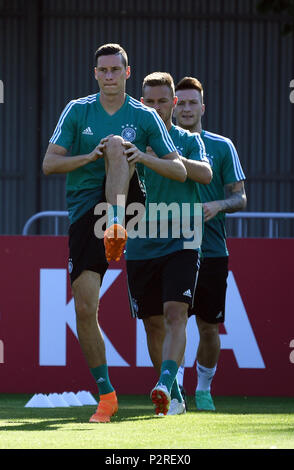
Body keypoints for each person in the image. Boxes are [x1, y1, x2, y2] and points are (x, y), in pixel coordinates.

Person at [42, 44, 186, 423]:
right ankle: (106, 395)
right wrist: (89, 156)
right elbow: (49, 163)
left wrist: (143, 156)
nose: (108, 76)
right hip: (86, 211)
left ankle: (118, 223)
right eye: (102, 70)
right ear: (95, 74)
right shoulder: (77, 110)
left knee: (119, 146)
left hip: (129, 201)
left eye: (114, 70)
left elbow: (179, 170)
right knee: (85, 307)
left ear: (127, 72)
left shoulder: (143, 115)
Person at [124, 72, 212, 415]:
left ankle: (163, 381)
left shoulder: (186, 140)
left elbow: (205, 174)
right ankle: (173, 391)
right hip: (142, 243)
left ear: (174, 104)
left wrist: (154, 159)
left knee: (177, 314)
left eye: (164, 101)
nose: (157, 107)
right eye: (150, 101)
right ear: (141, 103)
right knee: (152, 323)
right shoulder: (130, 140)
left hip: (183, 240)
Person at [174, 76, 247, 411]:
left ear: (202, 107)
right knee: (168, 323)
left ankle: (203, 389)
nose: (186, 108)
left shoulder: (222, 146)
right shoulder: (162, 146)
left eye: (192, 103)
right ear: (173, 107)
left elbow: (240, 196)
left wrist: (218, 205)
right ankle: (172, 389)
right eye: (181, 102)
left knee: (208, 328)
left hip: (213, 251)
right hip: (171, 248)